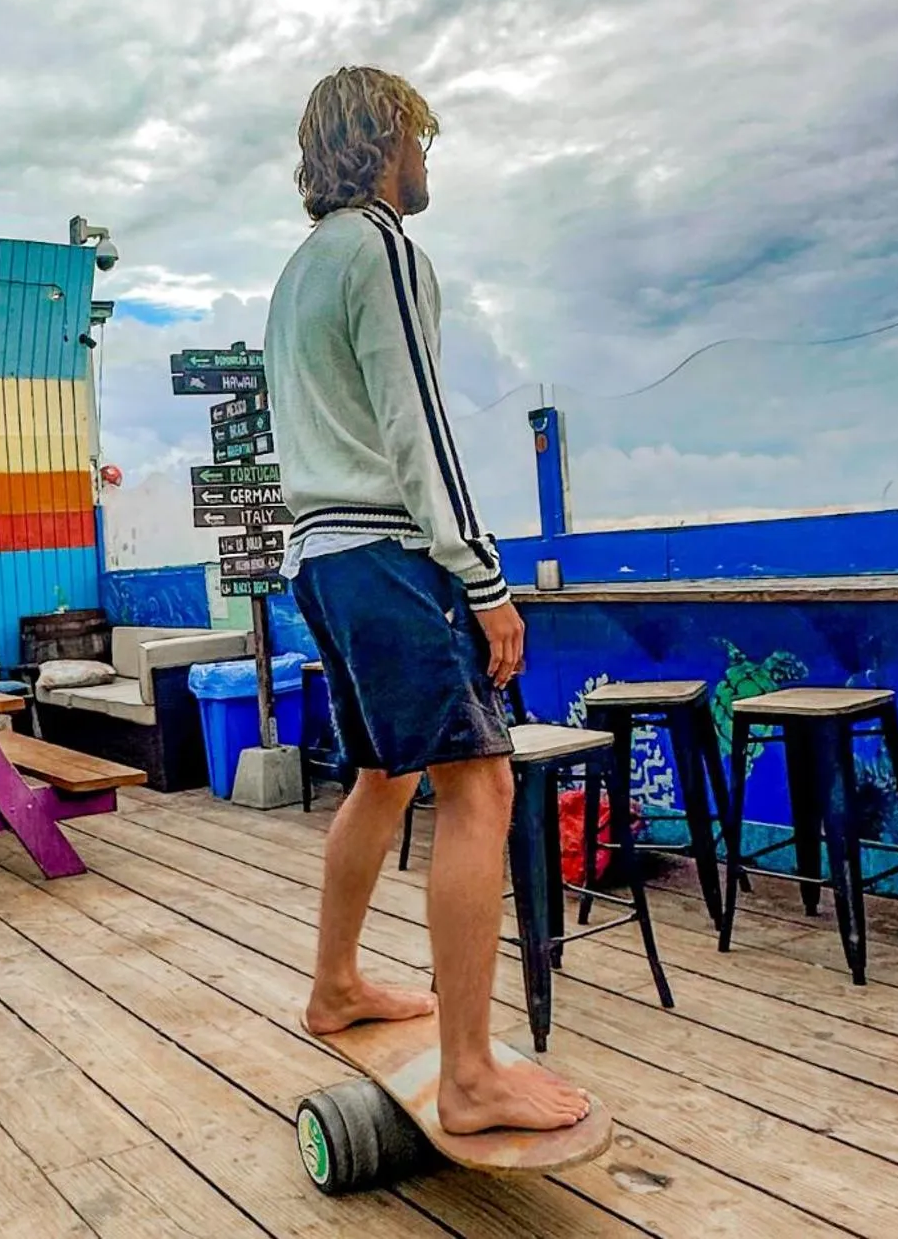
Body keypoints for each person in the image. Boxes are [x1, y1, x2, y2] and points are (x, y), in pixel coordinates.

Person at [266, 66, 590, 1136]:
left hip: (317, 556)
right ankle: (468, 1073)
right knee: (480, 788)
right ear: (382, 142)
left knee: (381, 777)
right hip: (390, 552)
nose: (427, 157)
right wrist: (485, 579)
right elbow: (418, 430)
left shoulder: (299, 271)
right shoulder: (381, 247)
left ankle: (337, 985)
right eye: (419, 137)